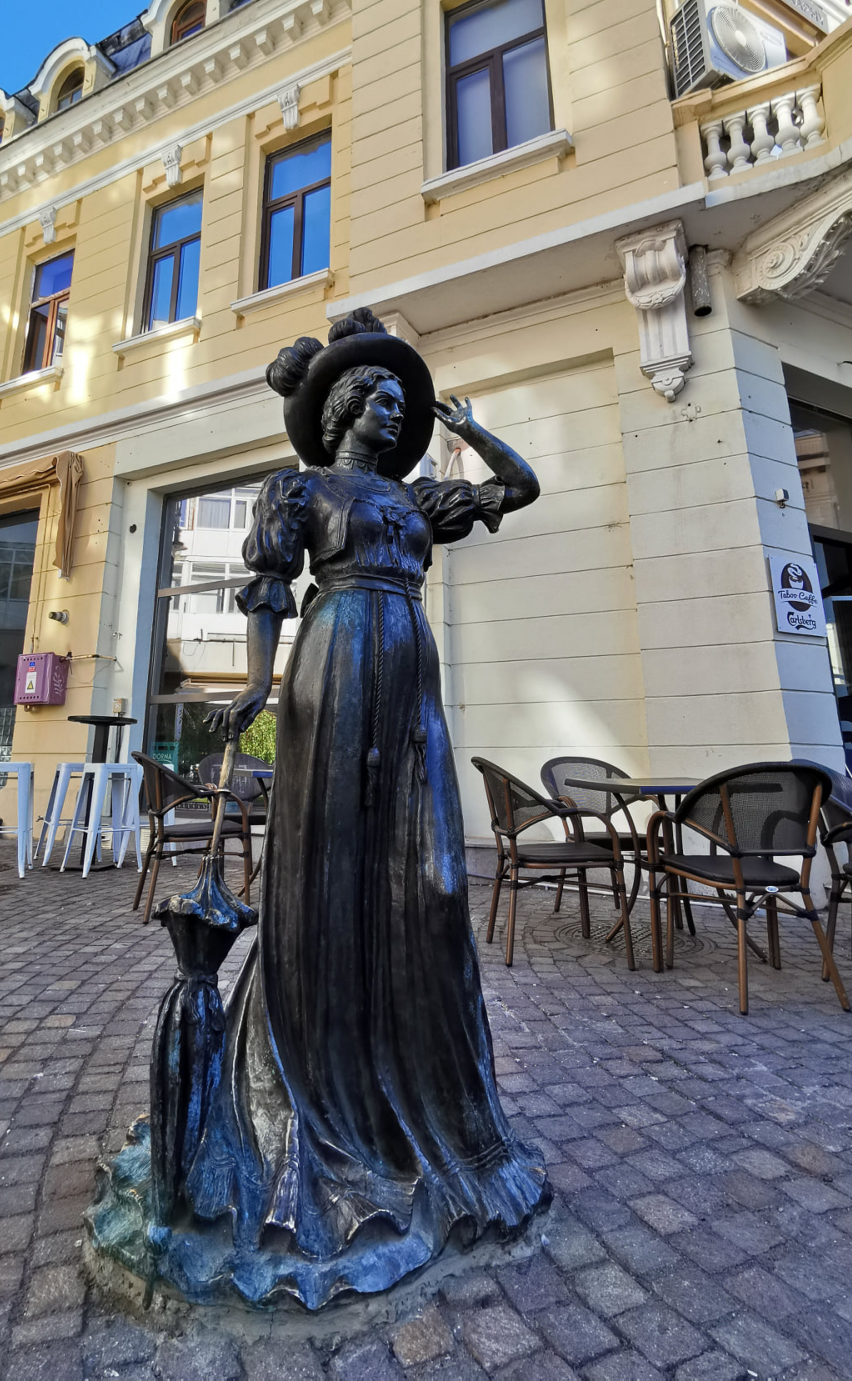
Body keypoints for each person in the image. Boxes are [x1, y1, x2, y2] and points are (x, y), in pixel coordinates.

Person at [155, 310, 549, 1307]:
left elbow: (519, 487)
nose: (387, 407)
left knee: (429, 876)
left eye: (396, 399)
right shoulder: (303, 489)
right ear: (335, 408)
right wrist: (252, 687)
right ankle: (317, 1085)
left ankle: (429, 1098)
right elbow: (265, 589)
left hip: (409, 673)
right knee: (329, 865)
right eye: (372, 395)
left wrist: (470, 428)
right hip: (331, 667)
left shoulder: (419, 501)